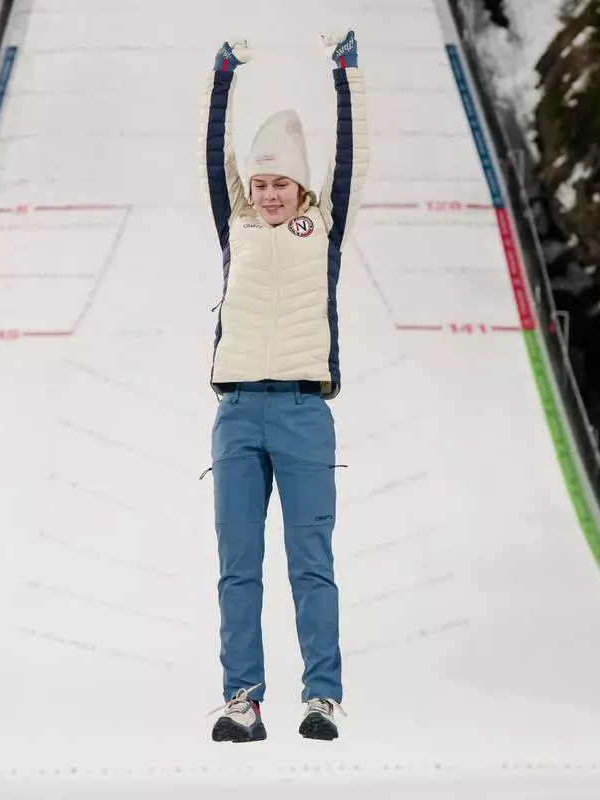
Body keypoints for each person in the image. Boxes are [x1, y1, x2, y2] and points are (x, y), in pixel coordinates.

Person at [197, 29, 369, 743]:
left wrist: (345, 77)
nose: (268, 195)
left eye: (280, 184)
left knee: (310, 562)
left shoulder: (321, 229)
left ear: (301, 187)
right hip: (237, 412)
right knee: (238, 567)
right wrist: (223, 80)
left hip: (303, 410)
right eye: (260, 183)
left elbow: (355, 158)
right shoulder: (236, 223)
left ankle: (321, 696)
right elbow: (215, 157)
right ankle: (242, 699)